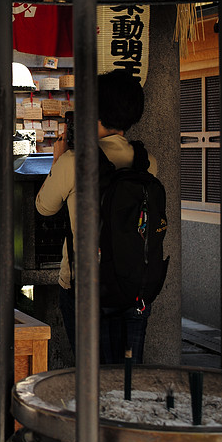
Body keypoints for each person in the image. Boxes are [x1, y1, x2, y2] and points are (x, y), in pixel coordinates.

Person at [35, 69, 156, 364]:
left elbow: (44, 207)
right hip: (135, 286)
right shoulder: (146, 161)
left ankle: (94, 411)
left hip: (85, 286)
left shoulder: (75, 161)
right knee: (127, 372)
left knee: (91, 373)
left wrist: (57, 160)